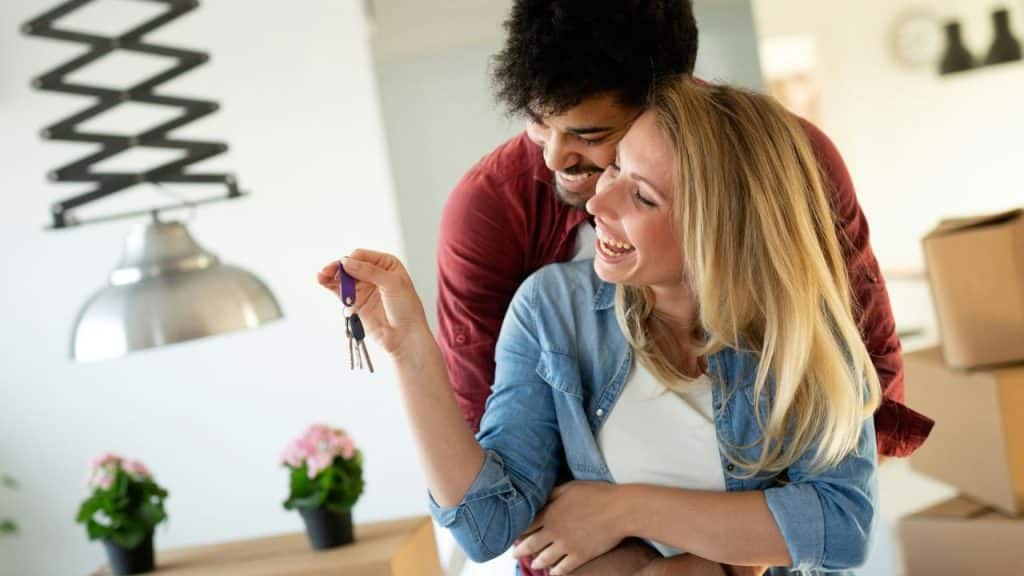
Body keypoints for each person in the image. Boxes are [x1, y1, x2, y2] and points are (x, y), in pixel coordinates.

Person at [433, 2, 932, 571]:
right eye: (538, 122)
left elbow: (861, 401)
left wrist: (731, 559)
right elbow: (503, 475)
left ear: (663, 101)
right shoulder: (494, 217)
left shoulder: (787, 168)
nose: (554, 160)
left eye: (591, 136)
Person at [318, 78, 885, 575]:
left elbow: (841, 526)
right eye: (615, 166)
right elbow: (484, 526)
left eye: (640, 195)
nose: (596, 202)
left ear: (716, 234)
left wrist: (626, 509)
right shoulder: (553, 310)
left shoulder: (807, 328)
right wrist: (410, 348)